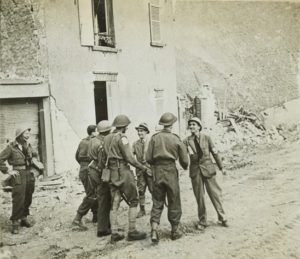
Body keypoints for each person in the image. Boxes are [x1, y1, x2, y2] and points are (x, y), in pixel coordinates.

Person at [103, 114, 151, 243]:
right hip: (123, 172)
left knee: (115, 202)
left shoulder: (107, 138)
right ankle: (132, 231)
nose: (127, 129)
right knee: (134, 200)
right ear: (123, 127)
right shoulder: (122, 138)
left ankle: (114, 233)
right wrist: (143, 167)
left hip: (112, 173)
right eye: (127, 127)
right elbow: (129, 158)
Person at [146, 112, 189, 243]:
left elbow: (148, 158)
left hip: (158, 171)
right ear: (172, 125)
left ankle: (154, 230)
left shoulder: (154, 138)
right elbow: (184, 160)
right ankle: (175, 231)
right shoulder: (176, 139)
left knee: (157, 201)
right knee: (174, 200)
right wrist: (184, 166)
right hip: (170, 171)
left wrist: (156, 164)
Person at [183, 117, 228, 231]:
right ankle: (202, 220)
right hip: (195, 171)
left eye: (194, 124)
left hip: (208, 169)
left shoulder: (207, 138)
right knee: (199, 197)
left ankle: (222, 217)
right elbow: (182, 155)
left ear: (199, 126)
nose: (192, 126)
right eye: (190, 124)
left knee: (215, 194)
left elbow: (215, 152)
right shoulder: (186, 141)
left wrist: (221, 167)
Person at [0, 126, 37, 234]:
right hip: (18, 174)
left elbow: (35, 156)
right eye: (26, 133)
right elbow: (0, 159)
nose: (28, 135)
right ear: (19, 135)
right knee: (18, 198)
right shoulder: (11, 147)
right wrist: (8, 171)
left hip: (29, 173)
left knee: (28, 196)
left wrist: (35, 167)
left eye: (28, 134)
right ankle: (15, 223)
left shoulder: (28, 145)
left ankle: (24, 218)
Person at [88, 120, 112, 237]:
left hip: (92, 169)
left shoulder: (93, 140)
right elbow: (103, 162)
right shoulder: (102, 143)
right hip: (98, 171)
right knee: (104, 199)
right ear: (107, 131)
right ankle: (102, 229)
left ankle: (105, 225)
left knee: (100, 197)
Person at [72, 125, 97, 228]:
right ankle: (77, 218)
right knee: (92, 194)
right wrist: (88, 166)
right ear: (93, 133)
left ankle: (96, 216)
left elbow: (77, 156)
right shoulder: (93, 142)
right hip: (90, 170)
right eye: (96, 131)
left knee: (93, 192)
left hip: (83, 169)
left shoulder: (82, 142)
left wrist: (83, 165)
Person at [132, 123, 153, 218]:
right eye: (138, 131)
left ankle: (155, 209)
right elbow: (130, 156)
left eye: (142, 131)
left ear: (146, 132)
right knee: (141, 190)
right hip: (140, 170)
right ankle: (142, 210)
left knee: (153, 190)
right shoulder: (135, 144)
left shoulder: (151, 142)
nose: (139, 133)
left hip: (150, 170)